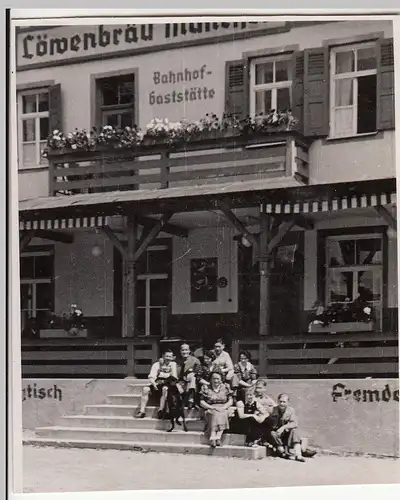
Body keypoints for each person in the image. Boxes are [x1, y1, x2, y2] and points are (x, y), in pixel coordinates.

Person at [136, 350, 178, 419]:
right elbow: (152, 376)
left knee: (165, 389)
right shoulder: (156, 364)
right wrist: (154, 384)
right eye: (166, 356)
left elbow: (174, 377)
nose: (168, 358)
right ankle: (142, 411)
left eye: (170, 357)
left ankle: (160, 410)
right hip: (157, 383)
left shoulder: (173, 364)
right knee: (145, 389)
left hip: (167, 383)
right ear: (163, 356)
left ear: (172, 358)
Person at [199, 371, 234, 448]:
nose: (216, 381)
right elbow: (201, 402)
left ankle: (215, 437)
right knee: (215, 413)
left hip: (223, 407)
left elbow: (230, 401)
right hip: (210, 408)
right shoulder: (205, 387)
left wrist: (224, 407)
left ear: (221, 379)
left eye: (218, 379)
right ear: (210, 379)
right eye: (213, 378)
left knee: (223, 412)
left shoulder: (226, 387)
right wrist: (211, 407)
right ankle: (215, 436)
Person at [268, 393, 305, 462]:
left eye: (284, 402)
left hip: (287, 435)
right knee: (272, 433)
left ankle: (298, 455)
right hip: (276, 436)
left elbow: (295, 423)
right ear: (278, 401)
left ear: (288, 403)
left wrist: (284, 427)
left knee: (294, 431)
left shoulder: (291, 410)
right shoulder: (273, 410)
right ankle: (282, 452)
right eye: (280, 401)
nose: (282, 404)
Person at [176, 343, 201, 409]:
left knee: (192, 376)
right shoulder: (177, 361)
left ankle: (191, 400)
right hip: (180, 382)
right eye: (183, 350)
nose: (185, 352)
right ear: (180, 351)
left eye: (186, 350)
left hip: (192, 382)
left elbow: (199, 372)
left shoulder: (195, 360)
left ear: (189, 351)